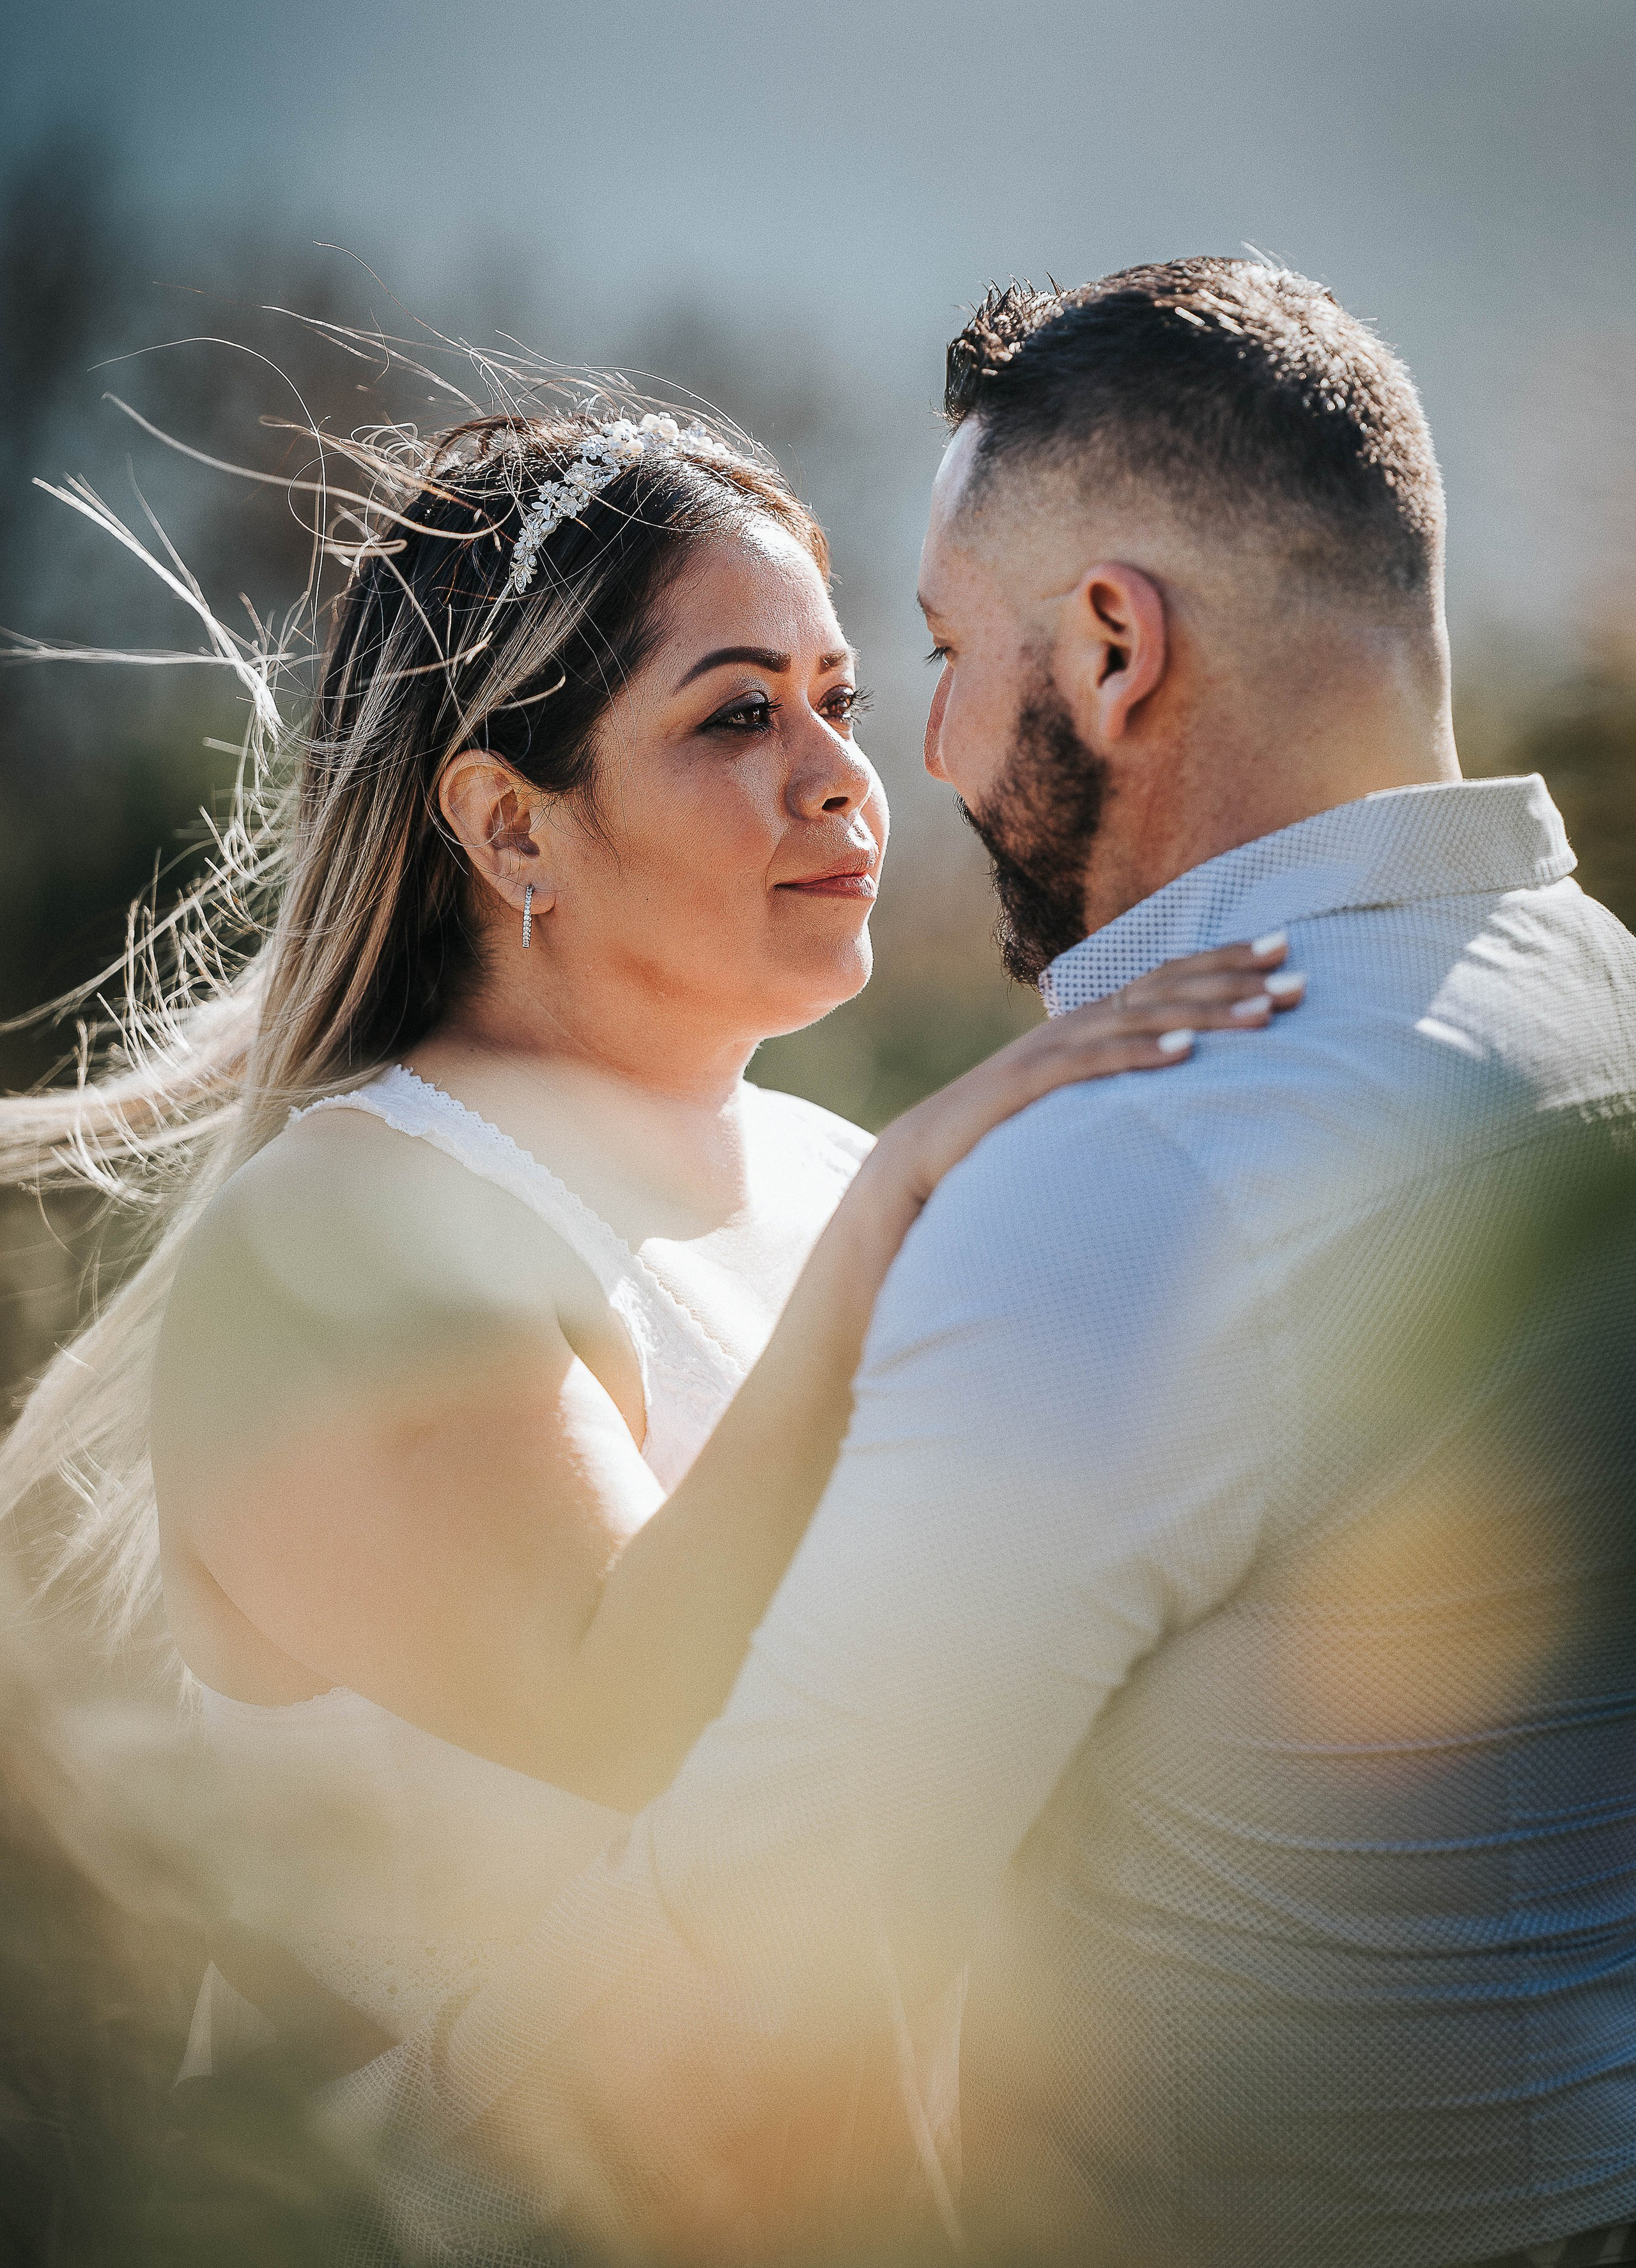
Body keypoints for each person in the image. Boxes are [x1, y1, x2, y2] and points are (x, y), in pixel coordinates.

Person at [352, 264, 1636, 2268]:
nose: (920, 756)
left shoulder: (1146, 1172)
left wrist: (336, 2153)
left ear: (1116, 648)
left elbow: (749, 1954)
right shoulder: (1604, 1016)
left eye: (937, 655)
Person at [0, 398, 1296, 2245]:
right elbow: (634, 1712)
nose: (846, 775)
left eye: (844, 697)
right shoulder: (349, 1230)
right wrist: (912, 1217)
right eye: (739, 713)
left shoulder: (822, 1162)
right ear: (508, 822)